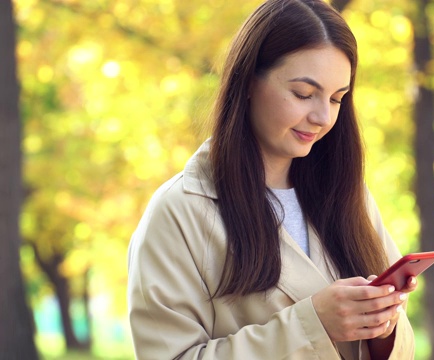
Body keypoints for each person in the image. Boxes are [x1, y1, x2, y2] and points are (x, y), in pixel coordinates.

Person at [127, 0, 418, 358]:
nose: (323, 117)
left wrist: (382, 325)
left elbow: (402, 342)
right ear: (249, 81)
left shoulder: (348, 194)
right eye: (303, 94)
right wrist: (313, 325)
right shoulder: (179, 211)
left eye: (337, 98)